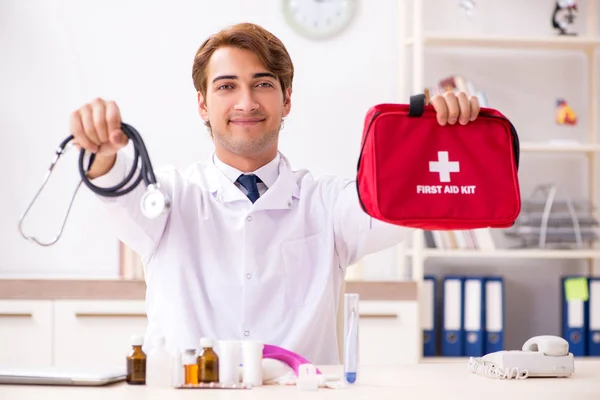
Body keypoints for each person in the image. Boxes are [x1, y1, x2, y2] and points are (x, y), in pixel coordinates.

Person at [69, 22, 480, 365]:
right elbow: (119, 193)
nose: (246, 102)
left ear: (286, 100)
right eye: (226, 86)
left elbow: (404, 204)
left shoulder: (328, 203)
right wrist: (102, 155)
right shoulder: (169, 197)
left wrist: (442, 140)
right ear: (202, 104)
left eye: (262, 84)